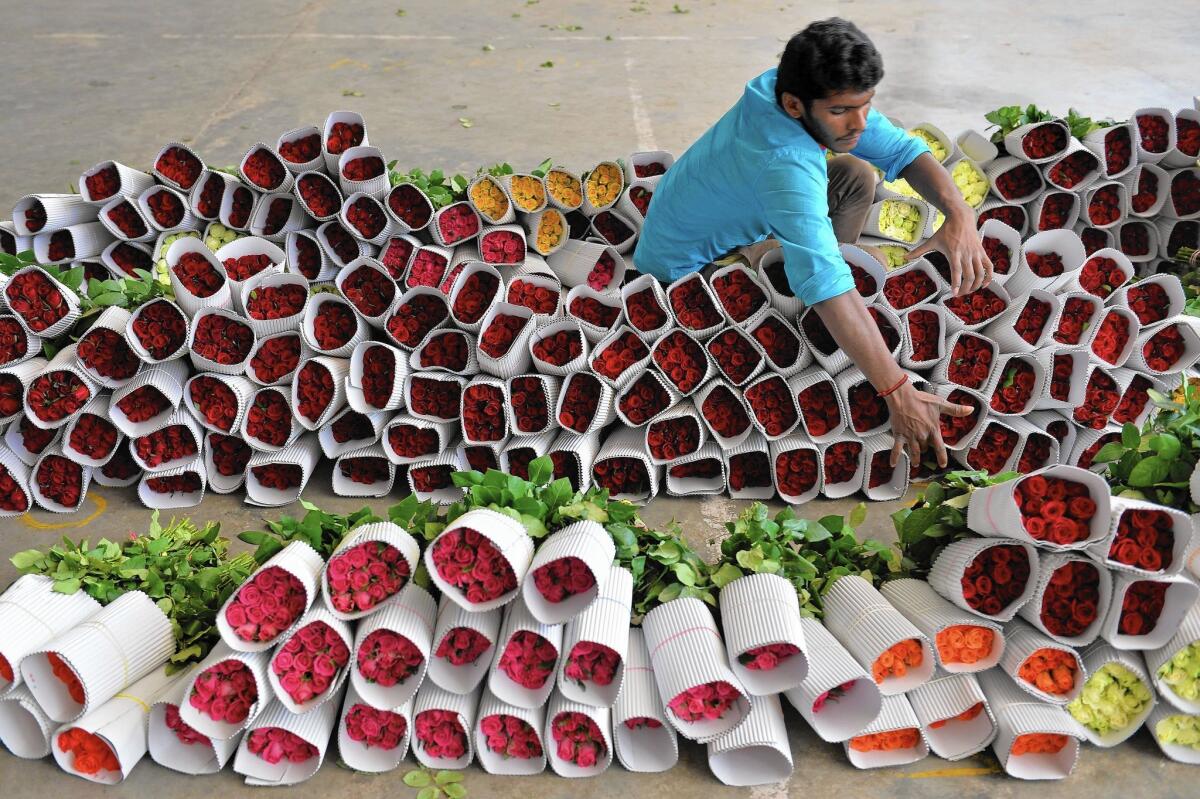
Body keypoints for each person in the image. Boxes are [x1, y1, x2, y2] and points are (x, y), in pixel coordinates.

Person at [634, 17, 993, 470]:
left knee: (856, 174)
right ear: (794, 105)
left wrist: (959, 214)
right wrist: (897, 391)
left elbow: (903, 152)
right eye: (842, 111)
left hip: (720, 208)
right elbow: (825, 281)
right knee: (825, 284)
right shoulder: (786, 165)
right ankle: (801, 296)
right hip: (684, 269)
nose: (859, 124)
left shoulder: (785, 87)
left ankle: (814, 288)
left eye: (866, 106)